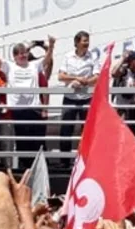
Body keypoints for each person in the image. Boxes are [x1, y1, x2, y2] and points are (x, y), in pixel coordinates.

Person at [0, 35, 55, 169]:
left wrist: (51, 45)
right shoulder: (9, 66)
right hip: (18, 110)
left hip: (34, 108)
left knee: (37, 141)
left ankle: (39, 167)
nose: (23, 56)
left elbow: (47, 60)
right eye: (20, 54)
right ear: (15, 56)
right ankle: (25, 168)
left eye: (24, 53)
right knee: (22, 141)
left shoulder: (34, 65)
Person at [58, 31, 100, 168]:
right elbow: (61, 76)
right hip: (70, 97)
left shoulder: (92, 57)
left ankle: (86, 161)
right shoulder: (68, 56)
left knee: (87, 130)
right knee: (66, 129)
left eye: (88, 41)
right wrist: (75, 79)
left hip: (86, 97)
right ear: (76, 42)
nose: (87, 43)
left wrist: (85, 82)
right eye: (84, 41)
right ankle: (64, 161)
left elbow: (97, 77)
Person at [111, 51, 135, 135]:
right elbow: (114, 73)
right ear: (131, 61)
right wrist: (123, 59)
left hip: (134, 108)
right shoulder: (125, 71)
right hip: (121, 107)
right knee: (120, 132)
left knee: (133, 132)